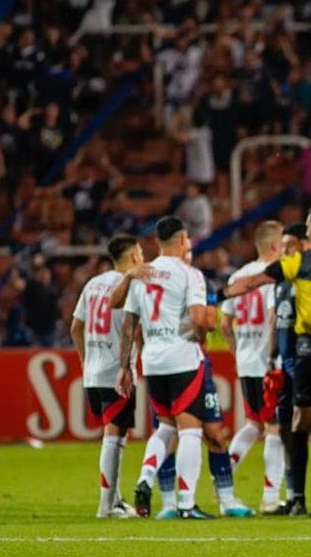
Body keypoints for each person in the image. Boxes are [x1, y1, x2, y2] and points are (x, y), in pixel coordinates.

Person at [223, 204, 311, 516]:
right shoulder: (286, 279)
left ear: (307, 239)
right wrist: (272, 356)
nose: (284, 251)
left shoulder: (300, 269)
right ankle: (295, 497)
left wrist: (219, 295)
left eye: (288, 246)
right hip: (289, 363)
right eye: (281, 246)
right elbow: (275, 321)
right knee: (289, 426)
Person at [116, 217, 216, 519]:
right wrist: (201, 337)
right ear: (183, 239)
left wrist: (125, 367)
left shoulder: (140, 275)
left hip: (153, 361)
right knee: (190, 430)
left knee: (166, 426)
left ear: (157, 242)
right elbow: (199, 319)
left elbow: (129, 326)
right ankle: (186, 503)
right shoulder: (190, 274)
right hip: (182, 357)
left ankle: (146, 477)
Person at [70, 234, 143, 519]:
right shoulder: (131, 287)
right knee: (114, 436)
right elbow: (131, 330)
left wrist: (85, 361)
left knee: (114, 435)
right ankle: (106, 505)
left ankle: (116, 498)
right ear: (134, 257)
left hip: (93, 372)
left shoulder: (93, 284)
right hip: (117, 370)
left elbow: (76, 327)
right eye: (141, 253)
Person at [220, 221, 285, 514]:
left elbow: (224, 325)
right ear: (275, 245)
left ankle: (224, 476)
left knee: (254, 423)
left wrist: (237, 355)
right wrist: (272, 355)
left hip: (246, 361)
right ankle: (271, 498)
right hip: (266, 362)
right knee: (274, 428)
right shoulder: (272, 278)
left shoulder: (239, 275)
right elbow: (273, 318)